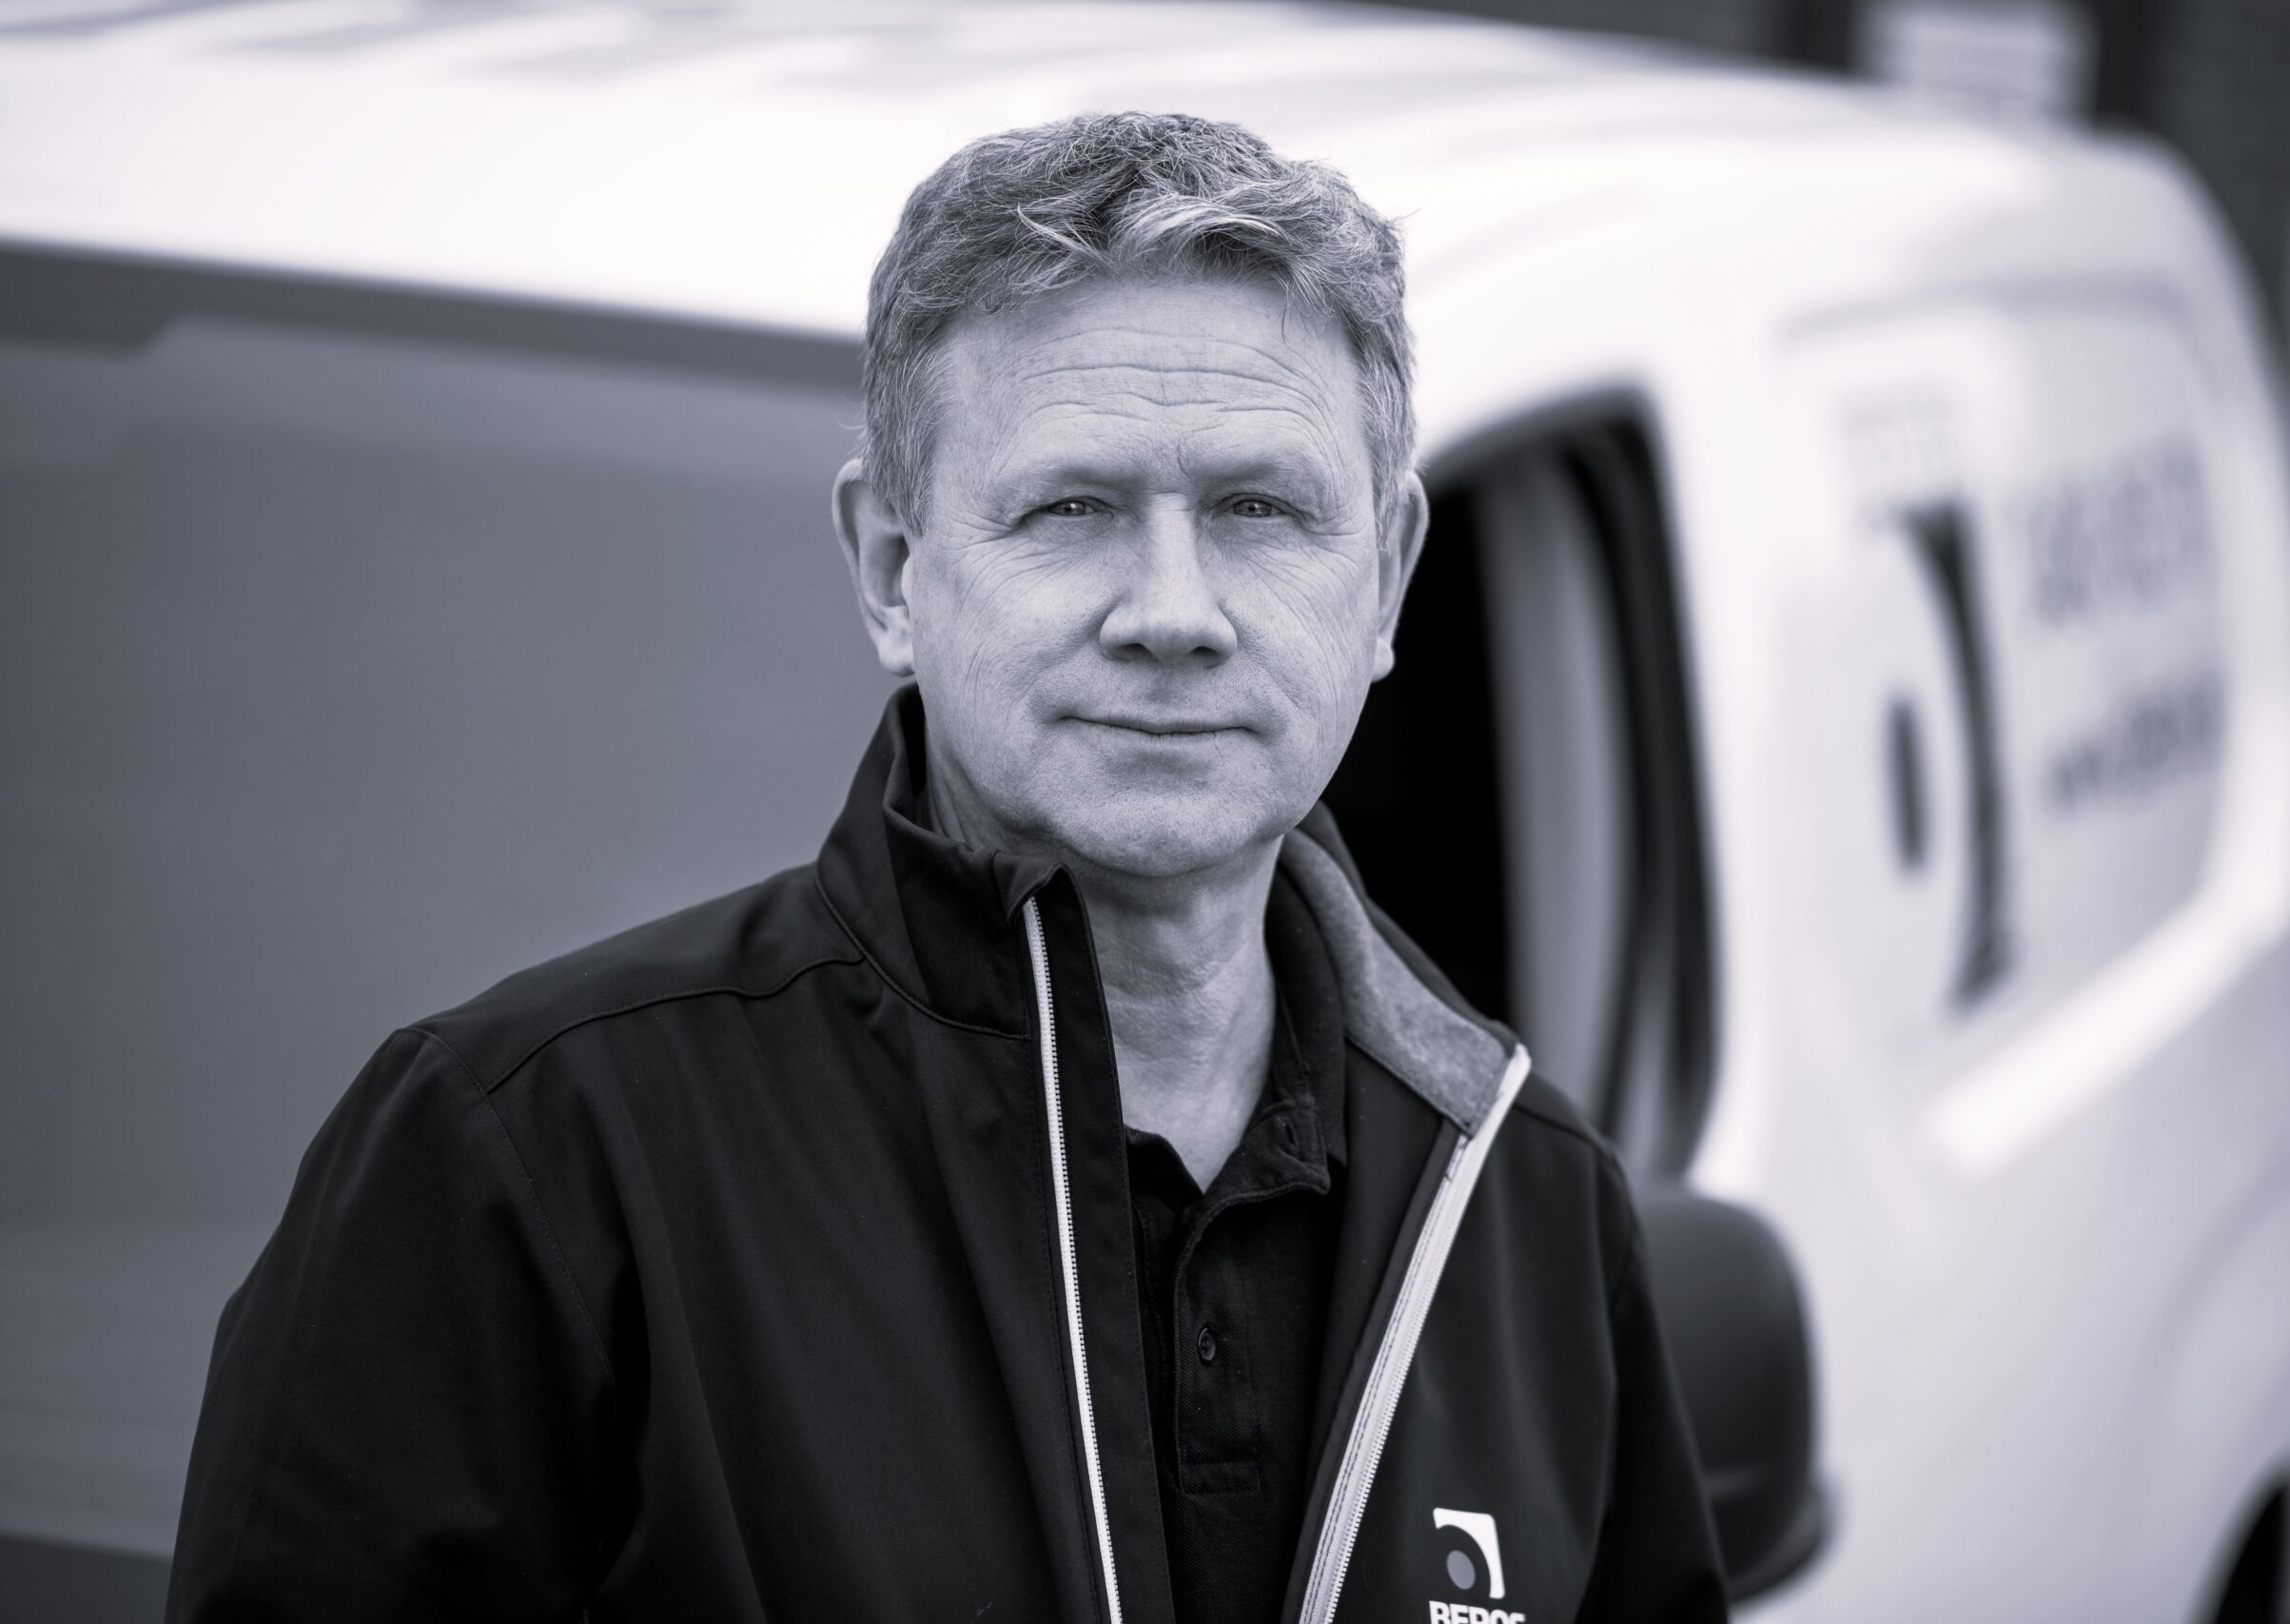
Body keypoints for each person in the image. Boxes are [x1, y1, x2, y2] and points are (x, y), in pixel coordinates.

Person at [167, 111, 1727, 1624]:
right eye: (1071, 508)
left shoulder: (1528, 1203)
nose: (1172, 613)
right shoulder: (533, 1155)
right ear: (891, 568)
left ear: (1383, 579)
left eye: (1258, 509)